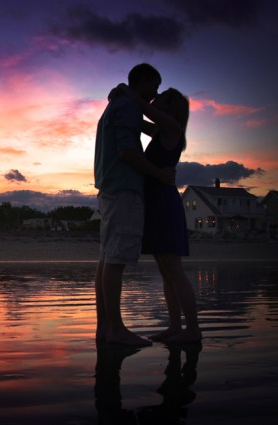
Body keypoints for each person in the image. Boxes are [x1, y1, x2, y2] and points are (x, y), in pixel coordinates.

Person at [94, 63, 175, 346]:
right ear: (141, 82)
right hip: (124, 189)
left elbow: (150, 129)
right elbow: (128, 152)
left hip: (110, 188)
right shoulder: (126, 106)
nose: (155, 94)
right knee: (115, 259)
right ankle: (115, 329)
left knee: (107, 258)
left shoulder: (121, 105)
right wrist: (160, 174)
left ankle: (105, 327)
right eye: (153, 86)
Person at [116, 83, 202, 343]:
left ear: (170, 106)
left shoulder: (173, 129)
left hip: (164, 203)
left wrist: (128, 92)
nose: (155, 99)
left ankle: (193, 330)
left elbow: (144, 110)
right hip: (154, 202)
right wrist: (121, 107)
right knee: (166, 271)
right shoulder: (160, 132)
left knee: (174, 270)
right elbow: (139, 119)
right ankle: (175, 327)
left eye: (161, 98)